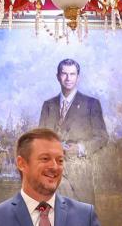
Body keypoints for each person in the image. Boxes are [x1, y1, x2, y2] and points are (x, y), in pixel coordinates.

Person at [38, 58, 108, 204]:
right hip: (52, 173)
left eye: (72, 74)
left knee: (81, 219)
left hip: (79, 174)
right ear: (58, 76)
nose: (68, 78)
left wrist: (80, 148)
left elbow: (102, 137)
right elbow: (40, 139)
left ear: (78, 77)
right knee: (53, 219)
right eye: (64, 74)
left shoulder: (91, 104)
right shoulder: (48, 105)